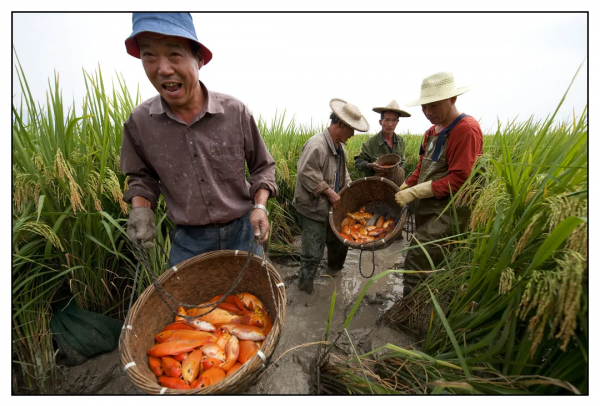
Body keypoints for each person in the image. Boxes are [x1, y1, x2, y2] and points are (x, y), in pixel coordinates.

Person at [120, 13, 278, 265]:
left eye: (174, 54)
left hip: (243, 231)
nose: (163, 68)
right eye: (149, 55)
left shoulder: (235, 112)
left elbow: (263, 167)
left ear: (199, 59)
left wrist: (260, 207)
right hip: (189, 241)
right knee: (188, 305)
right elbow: (141, 177)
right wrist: (141, 210)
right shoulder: (140, 123)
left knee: (254, 302)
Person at [395, 72, 483, 296]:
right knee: (431, 260)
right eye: (424, 107)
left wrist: (417, 191)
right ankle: (431, 299)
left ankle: (409, 310)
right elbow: (422, 168)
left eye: (433, 106)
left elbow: (460, 179)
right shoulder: (430, 133)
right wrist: (404, 187)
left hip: (449, 211)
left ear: (452, 99)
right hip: (428, 208)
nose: (428, 112)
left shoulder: (466, 129)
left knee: (417, 255)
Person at [293, 99, 369, 294]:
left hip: (332, 208)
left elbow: (344, 175)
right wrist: (329, 192)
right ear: (340, 124)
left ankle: (334, 277)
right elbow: (306, 174)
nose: (352, 134)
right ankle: (305, 290)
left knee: (339, 244)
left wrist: (351, 189)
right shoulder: (316, 145)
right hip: (313, 208)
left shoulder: (340, 148)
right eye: (351, 129)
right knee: (312, 253)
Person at [354, 100, 410, 183]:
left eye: (394, 120)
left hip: (396, 184)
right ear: (381, 122)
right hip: (376, 184)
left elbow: (402, 161)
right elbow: (358, 163)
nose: (390, 124)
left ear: (397, 122)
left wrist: (398, 171)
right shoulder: (370, 143)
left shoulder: (401, 141)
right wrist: (371, 166)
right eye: (387, 120)